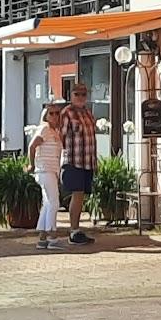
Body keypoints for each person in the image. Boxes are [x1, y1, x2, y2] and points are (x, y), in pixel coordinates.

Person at [59, 82, 97, 246]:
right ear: (71, 95)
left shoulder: (88, 113)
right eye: (77, 94)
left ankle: (77, 229)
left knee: (81, 195)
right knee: (77, 192)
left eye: (83, 94)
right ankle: (73, 231)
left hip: (88, 161)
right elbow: (61, 137)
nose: (80, 97)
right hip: (73, 161)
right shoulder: (67, 113)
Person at [27, 103, 64, 250]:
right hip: (45, 170)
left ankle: (42, 237)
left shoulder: (54, 132)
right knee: (54, 202)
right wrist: (32, 164)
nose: (55, 116)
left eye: (57, 113)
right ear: (45, 116)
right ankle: (52, 235)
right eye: (51, 113)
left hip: (50, 170)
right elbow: (32, 146)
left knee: (48, 203)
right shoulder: (45, 129)